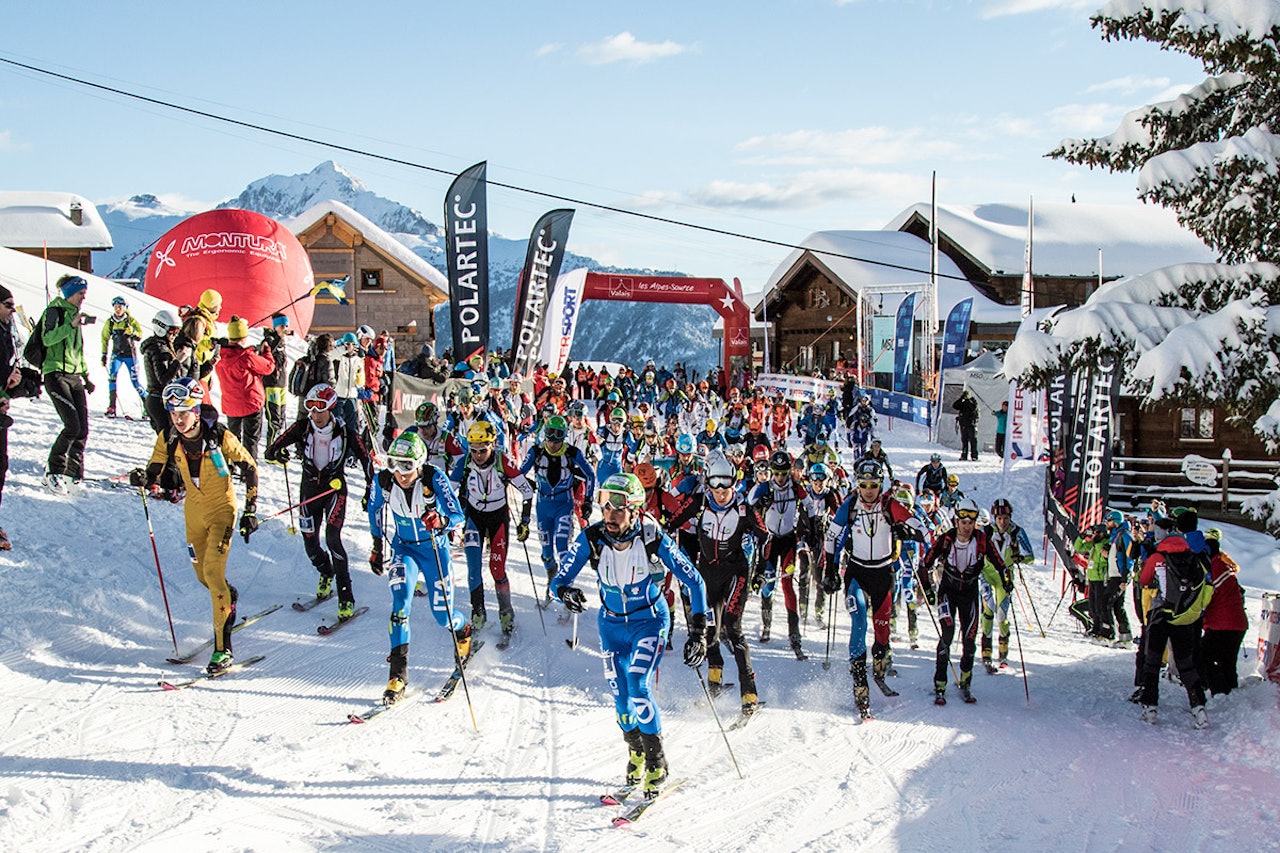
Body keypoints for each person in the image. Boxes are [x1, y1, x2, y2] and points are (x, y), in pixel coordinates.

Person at [550, 473, 710, 799]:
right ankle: (635, 752)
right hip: (610, 627)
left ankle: (657, 761)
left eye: (618, 508)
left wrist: (699, 631)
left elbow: (695, 581)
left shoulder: (653, 538)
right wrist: (564, 592)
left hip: (648, 622)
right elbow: (558, 579)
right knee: (621, 700)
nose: (609, 513)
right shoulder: (592, 537)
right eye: (605, 504)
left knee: (638, 686)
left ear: (635, 510)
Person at [140, 378, 259, 674]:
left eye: (184, 412)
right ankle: (228, 598)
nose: (178, 420)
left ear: (196, 410)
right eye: (173, 413)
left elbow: (249, 467)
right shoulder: (168, 436)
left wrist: (250, 510)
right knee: (202, 577)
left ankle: (223, 649)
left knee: (213, 573)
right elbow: (155, 465)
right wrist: (144, 478)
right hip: (193, 514)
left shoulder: (219, 435)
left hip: (222, 510)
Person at [366, 432, 471, 705]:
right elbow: (373, 509)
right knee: (400, 604)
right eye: (395, 464)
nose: (400, 473)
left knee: (443, 616)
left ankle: (463, 631)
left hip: (434, 550)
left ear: (420, 464)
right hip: (405, 549)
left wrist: (441, 520)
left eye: (407, 466)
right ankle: (397, 675)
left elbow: (458, 513)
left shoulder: (434, 478)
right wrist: (377, 546)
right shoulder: (384, 480)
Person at [822, 459, 923, 719]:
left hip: (882, 574)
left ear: (881, 485)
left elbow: (921, 526)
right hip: (857, 572)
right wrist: (830, 570)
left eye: (874, 485)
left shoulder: (890, 505)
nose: (868, 490)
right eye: (864, 484)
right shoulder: (850, 505)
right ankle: (860, 684)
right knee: (859, 622)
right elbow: (832, 536)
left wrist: (911, 531)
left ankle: (879, 665)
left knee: (882, 630)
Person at [266, 383, 373, 620]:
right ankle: (326, 572)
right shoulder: (302, 427)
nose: (316, 415)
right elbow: (270, 450)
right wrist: (278, 454)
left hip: (335, 490)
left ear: (330, 409)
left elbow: (368, 463)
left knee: (333, 539)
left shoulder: (346, 433)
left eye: (320, 410)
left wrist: (369, 490)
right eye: (311, 410)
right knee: (310, 543)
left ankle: (346, 597)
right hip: (310, 489)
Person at [666, 453, 759, 714]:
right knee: (709, 629)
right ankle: (714, 683)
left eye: (726, 485)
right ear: (707, 484)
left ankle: (749, 692)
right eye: (714, 485)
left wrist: (762, 567)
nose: (720, 492)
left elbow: (765, 534)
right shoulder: (700, 502)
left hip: (736, 572)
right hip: (707, 571)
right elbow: (670, 522)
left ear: (734, 484)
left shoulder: (742, 508)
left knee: (732, 626)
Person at [918, 496, 1009, 705]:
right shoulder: (946, 539)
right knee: (947, 633)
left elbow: (1000, 563)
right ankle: (940, 682)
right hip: (948, 592)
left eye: (970, 523)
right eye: (963, 522)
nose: (966, 527)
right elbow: (926, 563)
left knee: (969, 640)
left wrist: (1006, 579)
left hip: (969, 593)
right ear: (956, 521)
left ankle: (966, 682)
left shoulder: (982, 540)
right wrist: (929, 590)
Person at [450, 420, 534, 639]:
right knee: (473, 568)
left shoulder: (502, 461)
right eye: (473, 450)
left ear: (493, 444)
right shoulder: (465, 463)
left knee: (497, 568)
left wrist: (524, 520)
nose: (478, 455)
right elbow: (448, 492)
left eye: (483, 450)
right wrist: (447, 518)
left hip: (498, 519)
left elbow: (527, 491)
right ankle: (478, 613)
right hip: (474, 519)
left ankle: (506, 614)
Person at [1136, 508, 1214, 727]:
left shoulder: (1158, 555)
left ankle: (1150, 707)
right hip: (1184, 616)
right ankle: (1199, 708)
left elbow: (1144, 579)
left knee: (1152, 661)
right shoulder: (1193, 556)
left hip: (1161, 614)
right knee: (1186, 663)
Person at [519, 414, 595, 600]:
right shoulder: (536, 452)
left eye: (558, 436)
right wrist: (524, 485)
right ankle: (552, 580)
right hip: (543, 506)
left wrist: (588, 500)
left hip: (563, 504)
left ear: (564, 436)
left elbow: (590, 475)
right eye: (550, 435)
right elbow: (518, 475)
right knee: (546, 553)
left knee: (562, 547)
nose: (553, 442)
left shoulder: (572, 453)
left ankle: (566, 588)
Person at [748, 449, 809, 654]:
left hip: (789, 540)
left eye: (784, 473)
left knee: (787, 584)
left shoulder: (796, 487)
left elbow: (811, 507)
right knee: (767, 584)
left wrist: (810, 530)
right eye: (777, 473)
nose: (781, 478)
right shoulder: (765, 486)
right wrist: (758, 505)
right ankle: (766, 624)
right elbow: (747, 503)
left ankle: (794, 632)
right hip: (770, 541)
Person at [39, 274, 94, 494]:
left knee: (82, 429)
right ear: (70, 293)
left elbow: (77, 350)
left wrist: (86, 376)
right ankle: (53, 472)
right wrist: (69, 325)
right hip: (55, 374)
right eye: (80, 293)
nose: (83, 298)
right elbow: (47, 339)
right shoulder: (54, 311)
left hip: (74, 376)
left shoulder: (74, 315)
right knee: (72, 425)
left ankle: (73, 476)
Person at [980, 498, 1035, 671]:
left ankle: (1003, 652)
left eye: (1006, 518)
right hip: (987, 575)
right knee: (989, 608)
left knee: (1002, 615)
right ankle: (986, 652)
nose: (1002, 522)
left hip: (1005, 577)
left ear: (1010, 517)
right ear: (994, 518)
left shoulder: (1017, 532)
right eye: (999, 518)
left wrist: (1020, 557)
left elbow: (1031, 557)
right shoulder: (986, 531)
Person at [214, 316, 275, 465]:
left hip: (231, 403)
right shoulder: (246, 357)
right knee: (251, 439)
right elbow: (268, 367)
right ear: (243, 337)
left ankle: (232, 464)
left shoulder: (219, 356)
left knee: (233, 438)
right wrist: (266, 351)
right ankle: (249, 468)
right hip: (251, 403)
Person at [1201, 529, 1248, 696]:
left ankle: (1221, 691)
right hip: (1237, 622)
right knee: (1228, 661)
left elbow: (1207, 598)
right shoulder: (1224, 566)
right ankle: (1231, 694)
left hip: (1222, 624)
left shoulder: (1213, 568)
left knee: (1201, 656)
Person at [100, 295, 146, 418]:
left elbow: (140, 336)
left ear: (125, 307)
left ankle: (147, 407)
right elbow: (104, 338)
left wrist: (133, 332)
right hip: (117, 355)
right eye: (115, 306)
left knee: (135, 382)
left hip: (130, 355)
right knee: (112, 378)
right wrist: (104, 354)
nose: (118, 309)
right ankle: (112, 407)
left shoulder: (131, 321)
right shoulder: (110, 322)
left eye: (120, 306)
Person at [262, 314, 291, 448]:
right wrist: (278, 337)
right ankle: (271, 447)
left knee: (281, 417)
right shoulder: (270, 339)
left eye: (286, 326)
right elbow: (267, 352)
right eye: (282, 326)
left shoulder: (282, 342)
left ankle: (279, 445)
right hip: (271, 384)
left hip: (281, 384)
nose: (285, 329)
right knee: (274, 418)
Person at [953, 389, 979, 460]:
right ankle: (964, 455)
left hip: (971, 424)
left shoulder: (973, 402)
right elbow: (955, 406)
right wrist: (961, 399)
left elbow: (974, 408)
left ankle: (974, 455)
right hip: (963, 424)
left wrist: (968, 401)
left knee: (973, 440)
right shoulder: (962, 402)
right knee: (964, 441)